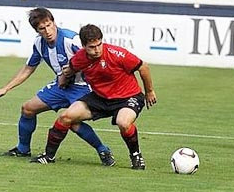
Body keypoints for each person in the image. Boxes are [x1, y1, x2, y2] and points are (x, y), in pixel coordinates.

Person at [0, 8, 115, 166]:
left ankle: (103, 150)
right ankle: (22, 149)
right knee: (28, 108)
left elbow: (94, 58)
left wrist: (70, 74)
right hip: (60, 86)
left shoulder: (71, 40)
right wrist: (6, 88)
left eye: (49, 25)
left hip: (83, 87)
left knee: (72, 122)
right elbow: (29, 68)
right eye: (42, 28)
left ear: (54, 22)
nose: (47, 31)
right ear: (37, 30)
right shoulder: (39, 43)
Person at [30, 24, 157, 170]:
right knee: (66, 117)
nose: (97, 50)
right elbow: (71, 68)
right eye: (92, 47)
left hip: (128, 96)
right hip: (100, 97)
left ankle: (136, 156)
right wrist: (64, 78)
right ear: (83, 46)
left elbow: (144, 67)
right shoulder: (80, 58)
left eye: (99, 44)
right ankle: (48, 156)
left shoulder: (117, 54)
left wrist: (149, 91)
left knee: (123, 122)